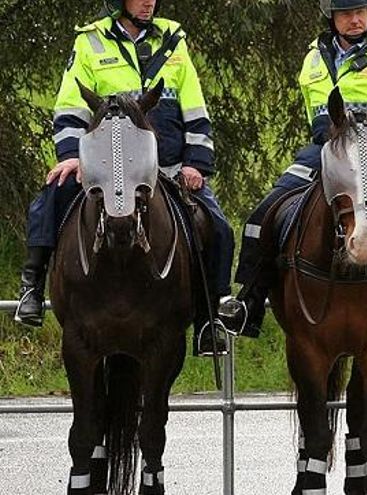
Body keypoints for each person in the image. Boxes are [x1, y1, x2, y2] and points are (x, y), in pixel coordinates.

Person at [218, 0, 367, 345]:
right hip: (331, 151)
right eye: (345, 14)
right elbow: (320, 120)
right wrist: (341, 154)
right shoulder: (314, 58)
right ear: (332, 18)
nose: (354, 19)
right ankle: (250, 301)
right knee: (264, 214)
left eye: (360, 12)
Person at [14, 0, 235, 357]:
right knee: (52, 195)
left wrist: (195, 163)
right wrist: (71, 157)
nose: (149, 2)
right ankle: (32, 289)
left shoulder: (173, 39)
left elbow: (195, 107)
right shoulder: (90, 41)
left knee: (218, 225)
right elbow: (70, 106)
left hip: (167, 167)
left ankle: (211, 319)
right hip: (103, 167)